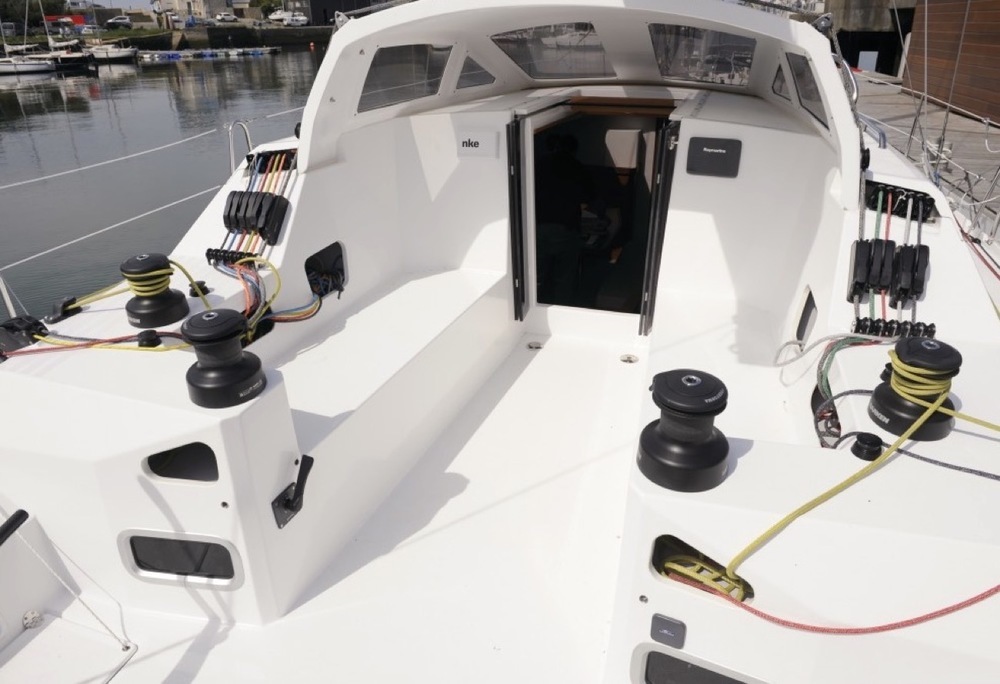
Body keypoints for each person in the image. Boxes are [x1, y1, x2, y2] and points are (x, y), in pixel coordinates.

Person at [534, 134, 598, 305]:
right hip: (566, 227)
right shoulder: (577, 167)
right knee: (564, 278)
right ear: (574, 150)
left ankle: (534, 307)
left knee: (536, 276)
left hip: (537, 227)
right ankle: (562, 309)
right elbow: (588, 197)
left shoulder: (537, 164)